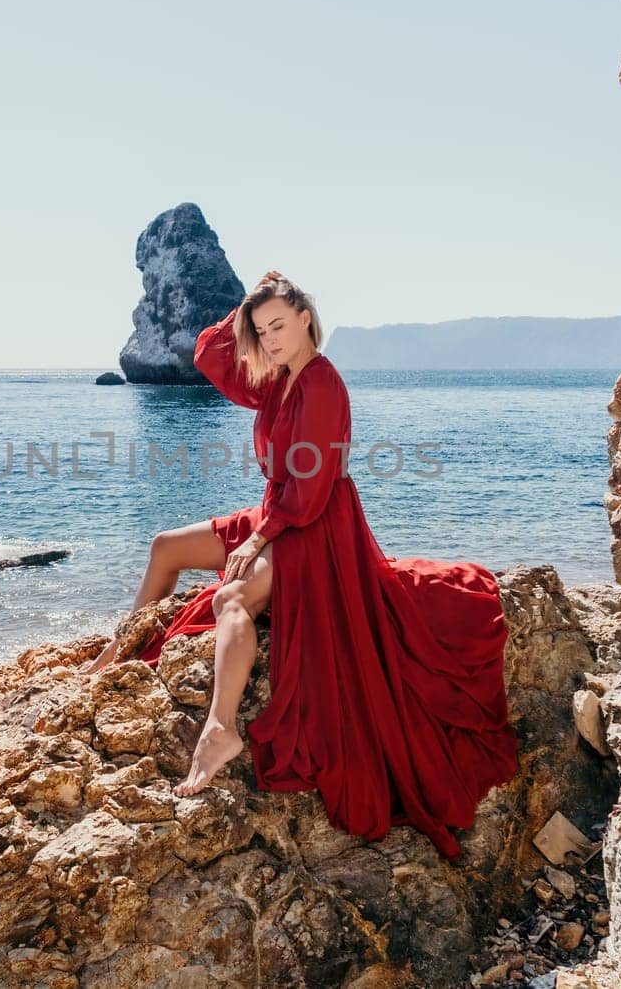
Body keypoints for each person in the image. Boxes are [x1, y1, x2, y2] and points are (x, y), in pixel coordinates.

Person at [81, 271, 519, 861]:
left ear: (307, 317)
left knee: (229, 599)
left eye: (280, 325)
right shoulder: (275, 382)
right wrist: (249, 307)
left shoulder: (322, 386)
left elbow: (310, 495)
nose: (270, 339)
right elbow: (211, 355)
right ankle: (121, 647)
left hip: (313, 529)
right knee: (166, 546)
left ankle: (221, 728)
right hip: (277, 513)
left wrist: (255, 542)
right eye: (262, 332)